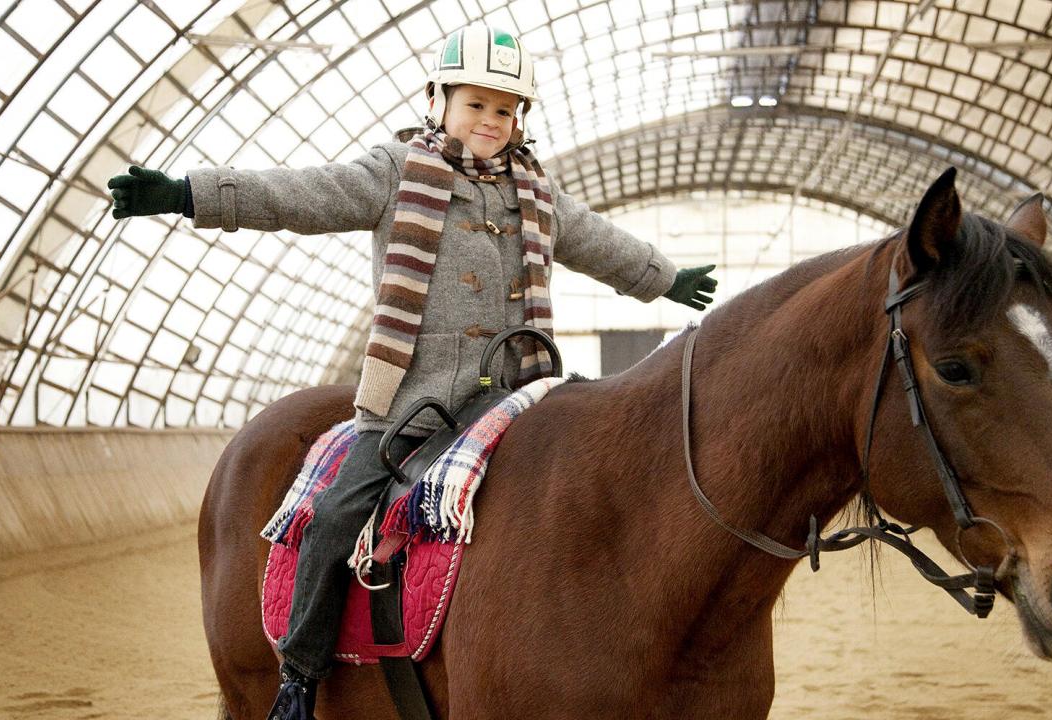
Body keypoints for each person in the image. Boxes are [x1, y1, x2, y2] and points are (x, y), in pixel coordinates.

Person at [108, 23, 717, 719]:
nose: (491, 121)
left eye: (505, 109)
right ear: (438, 100)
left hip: (516, 398)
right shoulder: (395, 173)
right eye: (476, 104)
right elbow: (303, 194)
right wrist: (191, 193)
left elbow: (599, 242)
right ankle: (300, 677)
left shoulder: (536, 192)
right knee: (338, 512)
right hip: (408, 403)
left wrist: (665, 279)